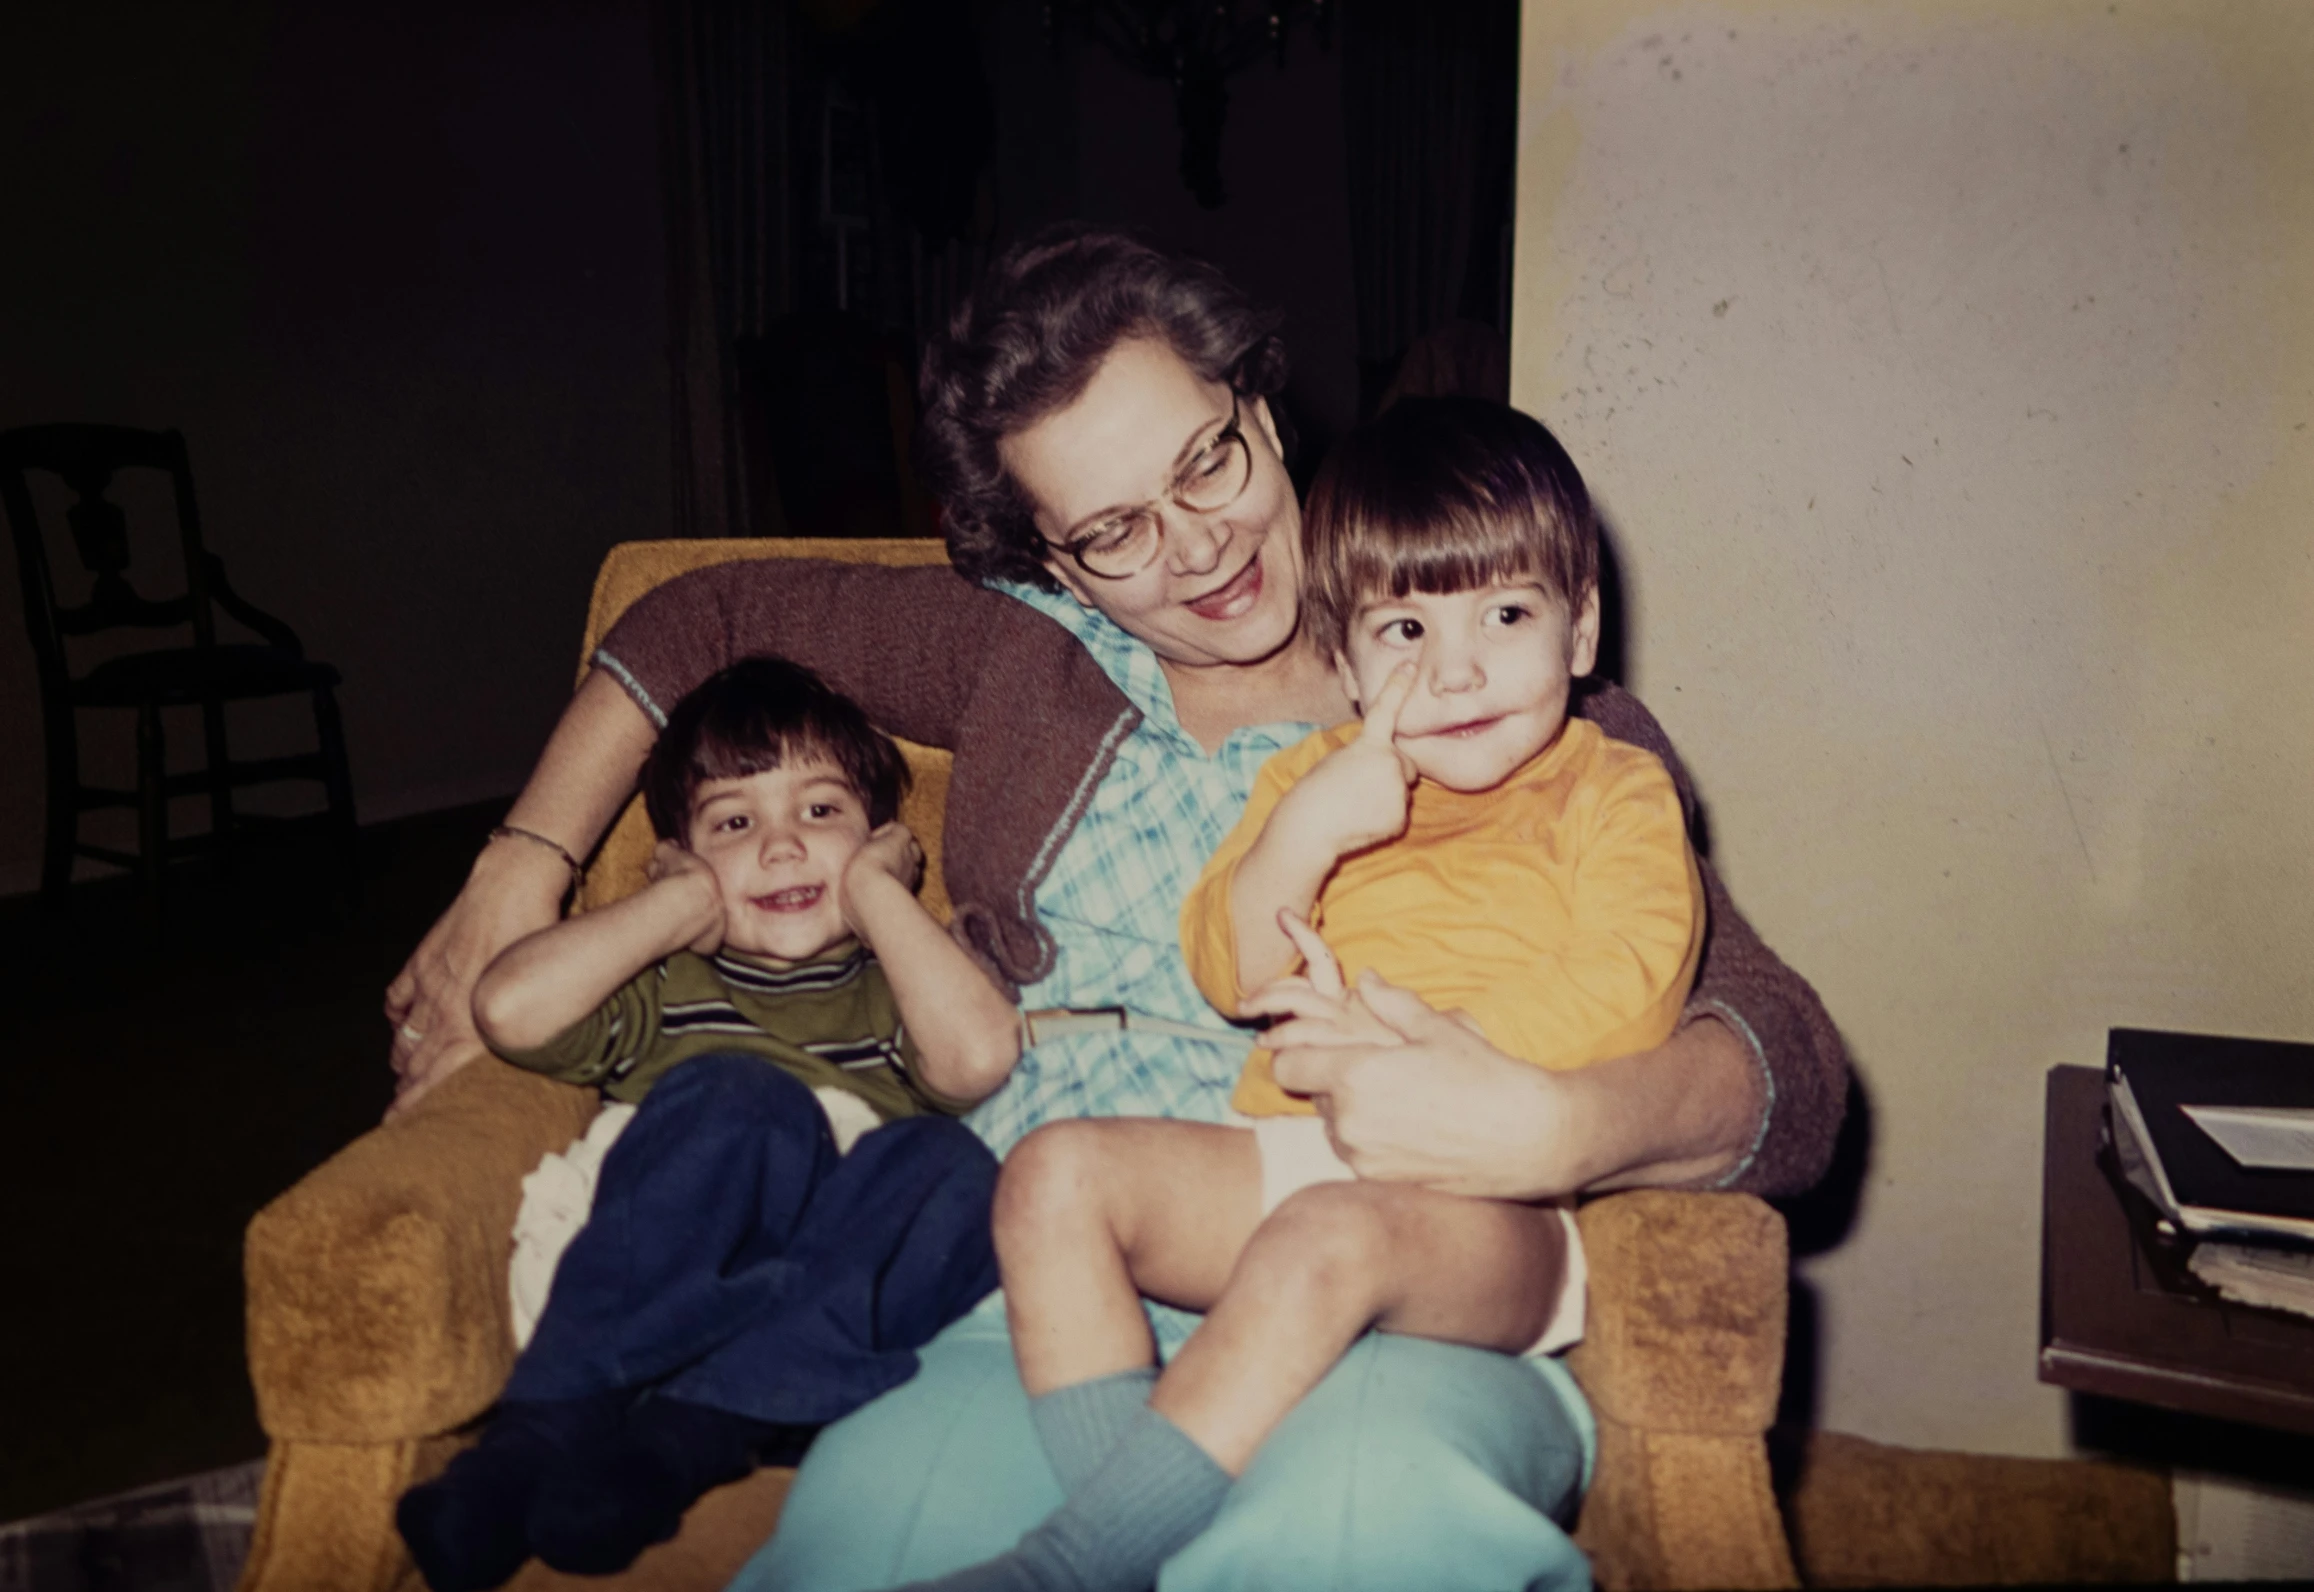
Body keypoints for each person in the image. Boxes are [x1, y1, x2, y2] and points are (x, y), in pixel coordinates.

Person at [384, 226, 1849, 1591]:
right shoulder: (1021, 659)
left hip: (1388, 1285)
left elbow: (1783, 1065)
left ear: (1261, 412)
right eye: (1112, 533)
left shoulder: (1490, 692)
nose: (1195, 550)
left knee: (1365, 1540)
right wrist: (518, 864)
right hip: (1042, 1284)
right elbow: (690, 617)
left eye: (1205, 464)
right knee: (867, 1541)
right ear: (1046, 558)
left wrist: (1558, 1127)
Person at [902, 397, 1705, 1592]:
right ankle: (1126, 1517)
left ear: (1579, 628)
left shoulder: (1613, 786)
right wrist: (1305, 833)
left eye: (1505, 612)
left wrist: (1423, 1045)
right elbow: (1230, 971)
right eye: (1403, 626)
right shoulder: (1309, 774)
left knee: (1327, 1233)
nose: (1457, 665)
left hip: (1497, 1215)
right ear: (1342, 654)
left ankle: (1070, 1565)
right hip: (1286, 1162)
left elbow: (1635, 984)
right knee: (1051, 1173)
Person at [396, 656, 1021, 1592]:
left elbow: (977, 1059)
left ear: (885, 840)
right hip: (650, 1284)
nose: (780, 849)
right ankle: (532, 1445)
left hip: (813, 1319)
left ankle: (687, 1440)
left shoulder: (902, 985)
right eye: (734, 823)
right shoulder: (665, 985)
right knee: (743, 1100)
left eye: (821, 813)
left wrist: (882, 897)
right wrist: (677, 902)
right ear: (682, 853)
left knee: (957, 1166)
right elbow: (509, 1008)